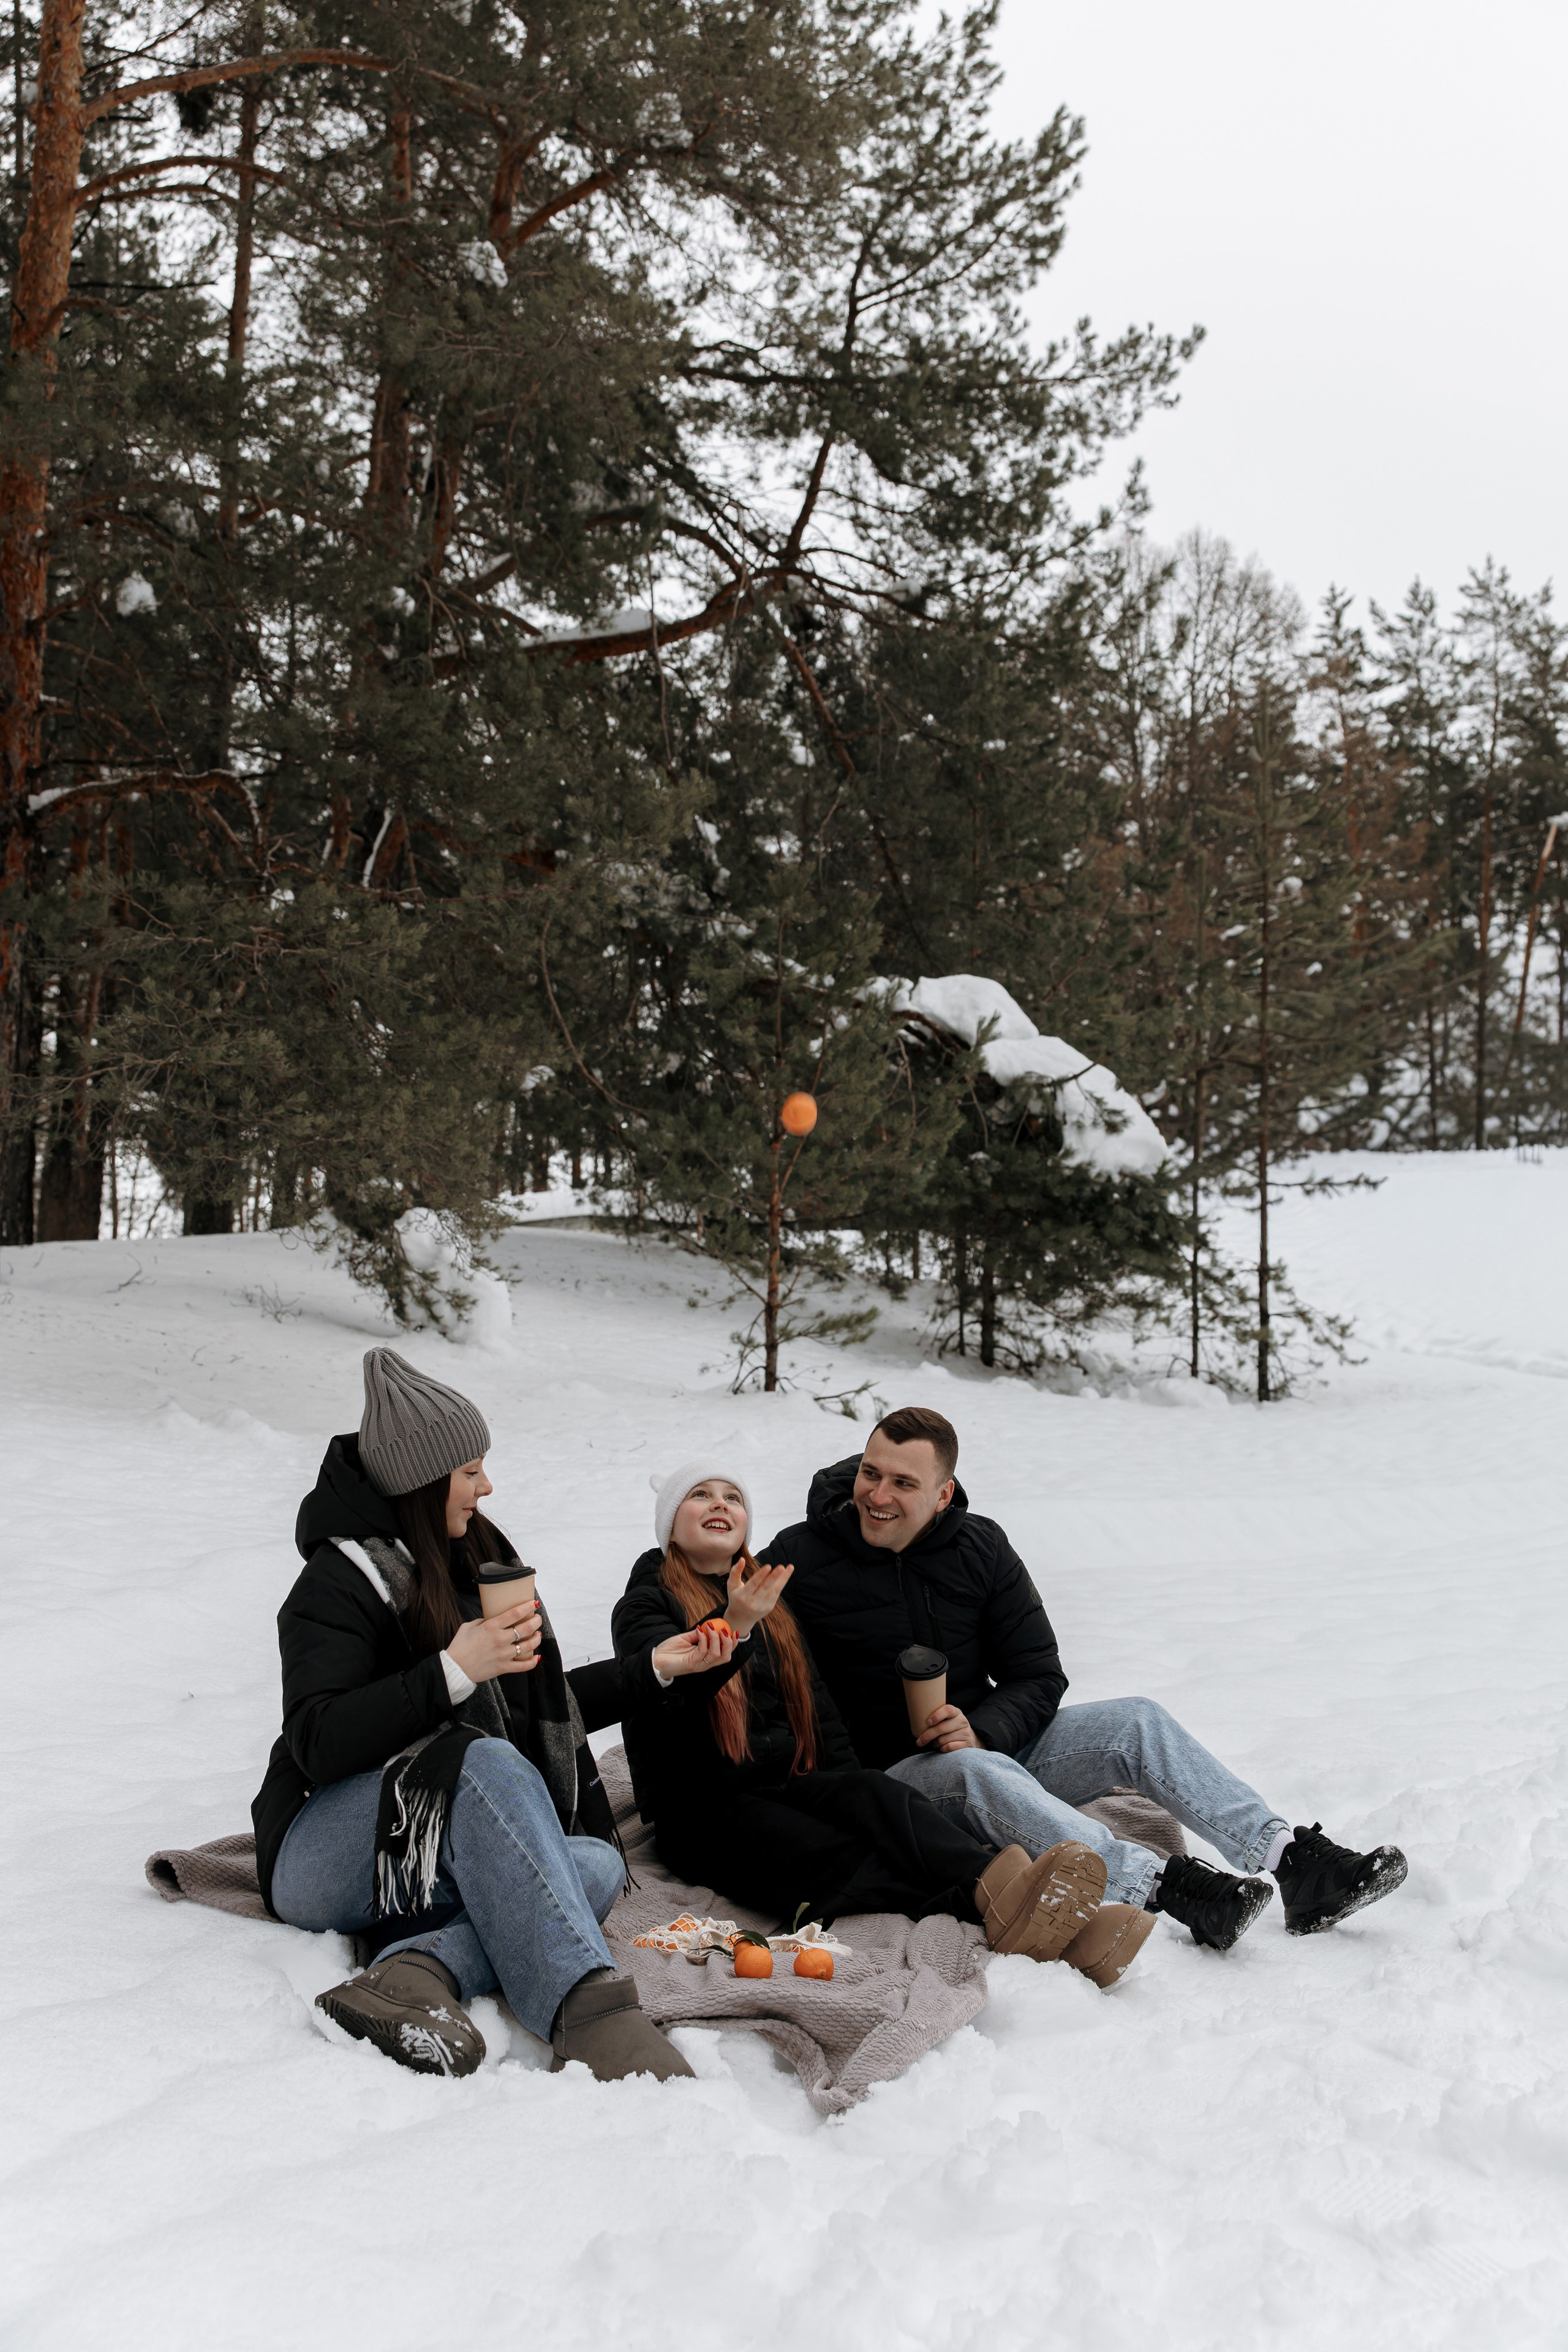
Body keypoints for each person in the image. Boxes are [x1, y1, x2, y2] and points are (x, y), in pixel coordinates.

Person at [758, 1406, 1408, 1954]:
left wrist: (981, 1727)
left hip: (987, 1745)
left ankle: (1288, 1860)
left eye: (903, 1482)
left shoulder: (980, 1549)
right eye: (870, 1473)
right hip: (892, 1780)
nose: (877, 1495)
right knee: (979, 1773)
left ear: (942, 1493)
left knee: (1134, 1718)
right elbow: (721, 1626)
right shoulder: (802, 1555)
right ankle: (1163, 1885)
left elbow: (1037, 1674)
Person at [252, 1347, 693, 2083]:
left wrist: (654, 1669)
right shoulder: (335, 1584)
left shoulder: (470, 1561)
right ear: (424, 1480)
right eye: (469, 1472)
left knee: (591, 1861)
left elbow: (535, 1709)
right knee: (484, 1765)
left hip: (432, 1841)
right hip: (318, 1843)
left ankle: (412, 1974)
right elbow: (319, 1742)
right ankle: (590, 2011)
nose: (487, 1486)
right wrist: (452, 1671)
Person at [610, 1461, 1156, 1986]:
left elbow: (817, 1710)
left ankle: (1012, 1892)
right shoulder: (643, 1606)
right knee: (835, 1853)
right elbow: (671, 1689)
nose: (720, 1505)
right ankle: (1009, 1917)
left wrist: (852, 1790)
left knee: (879, 1799)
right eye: (700, 1495)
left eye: (732, 1497)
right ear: (671, 1526)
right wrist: (734, 1624)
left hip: (785, 1784)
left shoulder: (769, 1603)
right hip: (706, 1809)